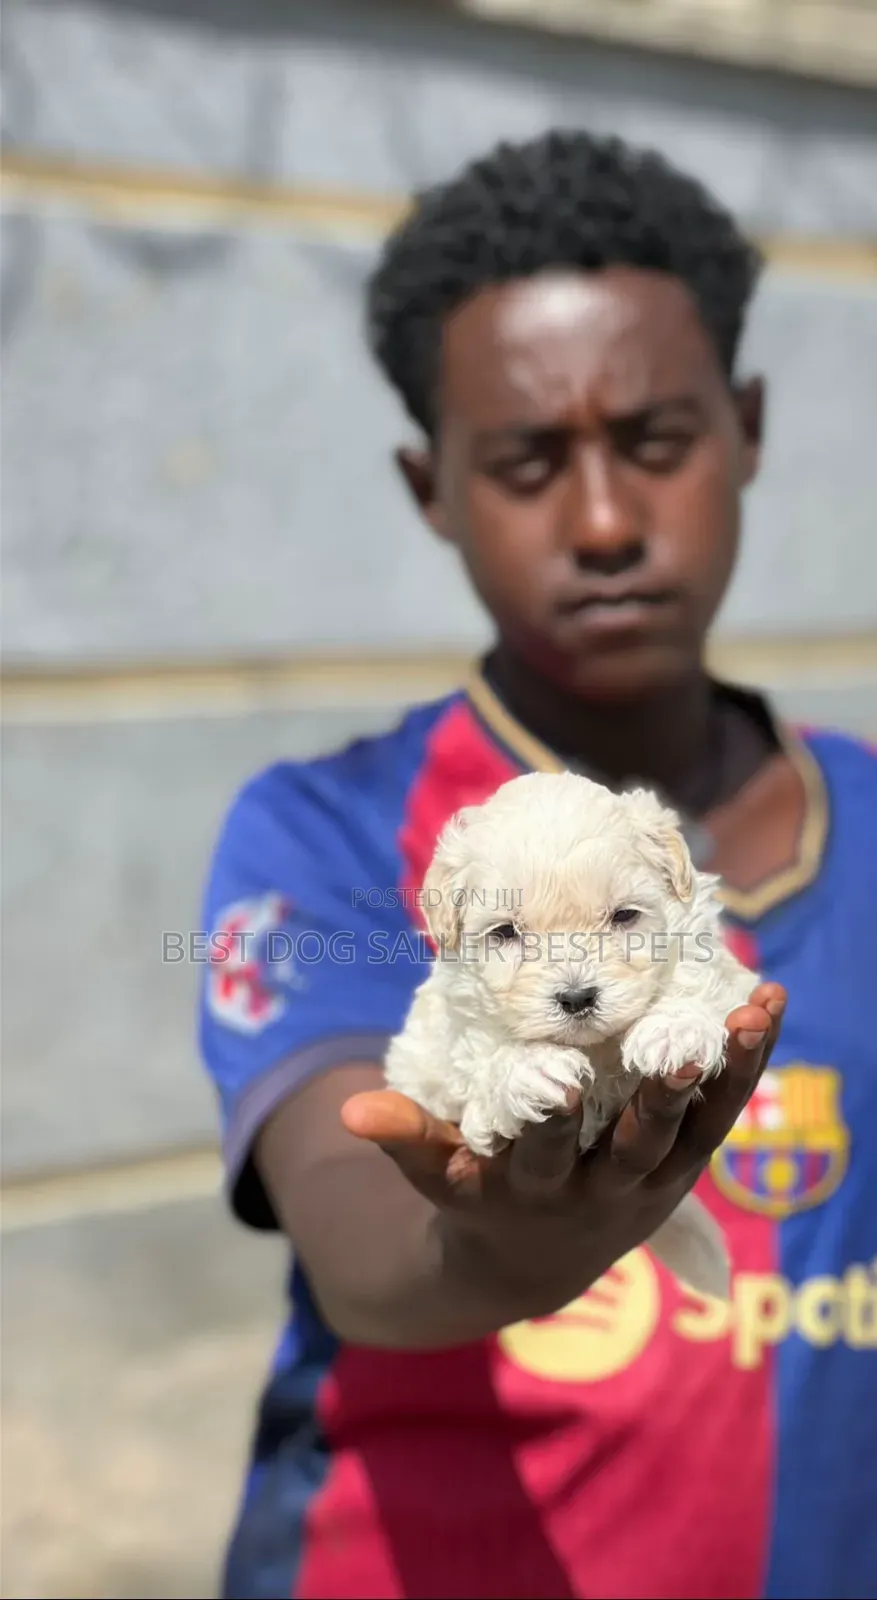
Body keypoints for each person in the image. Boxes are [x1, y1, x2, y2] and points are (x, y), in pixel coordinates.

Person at [198, 130, 876, 1600]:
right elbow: (363, 1237)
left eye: (656, 441)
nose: (607, 523)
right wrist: (499, 1249)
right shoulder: (326, 838)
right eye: (527, 464)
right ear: (431, 488)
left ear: (749, 428)